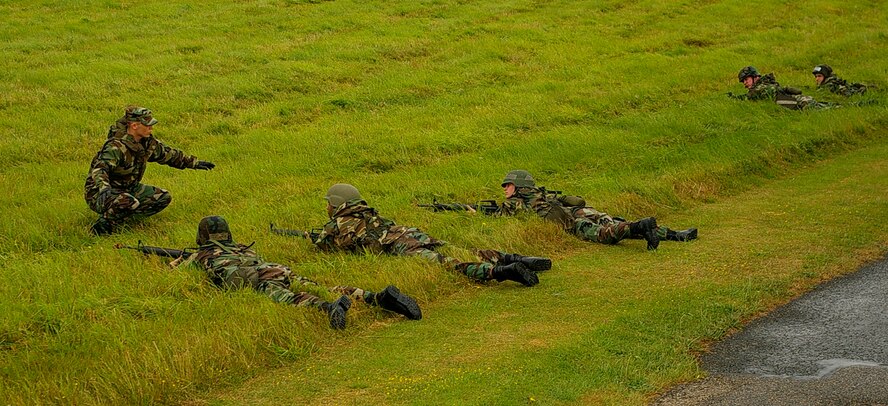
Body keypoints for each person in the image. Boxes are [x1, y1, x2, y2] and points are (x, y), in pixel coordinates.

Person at [185, 216, 422, 330]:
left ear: (202, 235)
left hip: (258, 279)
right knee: (322, 286)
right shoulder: (241, 248)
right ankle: (375, 297)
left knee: (292, 297)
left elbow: (178, 270)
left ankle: (329, 308)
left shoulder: (201, 255)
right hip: (276, 268)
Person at [308, 184, 547, 287]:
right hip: (410, 233)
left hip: (400, 247)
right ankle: (516, 258)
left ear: (337, 204)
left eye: (329, 204)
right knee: (460, 250)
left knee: (450, 263)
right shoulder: (369, 213)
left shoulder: (338, 224)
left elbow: (325, 246)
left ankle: (501, 272)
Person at [84, 106, 216, 235]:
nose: (151, 128)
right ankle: (102, 227)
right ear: (134, 126)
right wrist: (104, 188)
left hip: (128, 188)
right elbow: (100, 170)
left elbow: (168, 154)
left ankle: (124, 217)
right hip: (99, 193)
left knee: (162, 197)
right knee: (128, 201)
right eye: (147, 125)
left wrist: (194, 163)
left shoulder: (146, 143)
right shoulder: (116, 147)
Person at [494, 170, 698, 250]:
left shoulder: (518, 202)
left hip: (573, 223)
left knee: (604, 235)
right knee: (615, 224)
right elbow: (579, 201)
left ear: (518, 186)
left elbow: (498, 215)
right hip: (581, 212)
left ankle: (639, 226)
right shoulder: (545, 195)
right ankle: (675, 235)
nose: (505, 188)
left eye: (508, 185)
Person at [729, 66, 834, 110]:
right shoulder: (764, 84)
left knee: (820, 108)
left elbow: (750, 96)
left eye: (746, 79)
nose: (745, 83)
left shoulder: (759, 88)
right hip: (792, 100)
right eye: (743, 81)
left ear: (754, 77)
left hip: (794, 102)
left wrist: (737, 98)